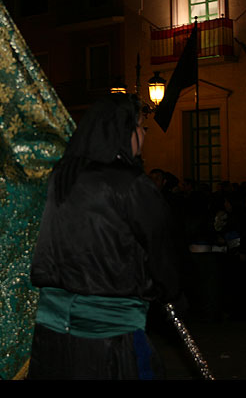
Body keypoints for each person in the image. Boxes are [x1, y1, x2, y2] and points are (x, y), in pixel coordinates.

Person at [27, 94, 181, 380]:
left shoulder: (61, 177)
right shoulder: (130, 183)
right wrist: (165, 287)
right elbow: (161, 249)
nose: (143, 135)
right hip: (108, 331)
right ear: (125, 131)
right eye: (141, 127)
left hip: (54, 330)